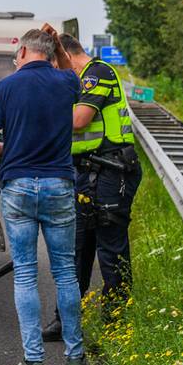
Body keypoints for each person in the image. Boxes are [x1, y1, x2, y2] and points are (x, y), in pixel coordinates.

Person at [0, 26, 87, 365]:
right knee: (66, 273)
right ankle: (75, 362)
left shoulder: (5, 88)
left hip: (19, 187)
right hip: (58, 184)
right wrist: (56, 43)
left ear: (22, 52)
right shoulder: (64, 83)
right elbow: (72, 69)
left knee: (25, 273)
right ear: (49, 51)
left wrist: (12, 152)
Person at [42, 34, 140, 343]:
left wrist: (38, 115)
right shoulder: (74, 82)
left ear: (65, 57)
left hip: (112, 171)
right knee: (76, 248)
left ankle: (116, 324)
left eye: (53, 65)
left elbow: (80, 120)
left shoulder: (97, 73)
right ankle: (66, 319)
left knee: (110, 249)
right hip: (84, 171)